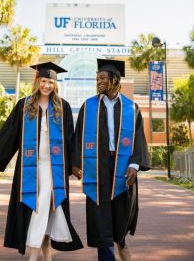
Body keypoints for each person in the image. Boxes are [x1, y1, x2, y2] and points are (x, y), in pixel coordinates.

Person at [0, 62, 83, 261]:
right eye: (44, 81)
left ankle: (36, 255)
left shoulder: (63, 106)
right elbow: (10, 133)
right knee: (40, 206)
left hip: (55, 170)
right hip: (31, 169)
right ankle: (44, 254)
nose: (47, 85)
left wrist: (75, 164)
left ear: (55, 84)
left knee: (44, 206)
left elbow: (71, 138)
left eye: (51, 82)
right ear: (37, 81)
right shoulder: (25, 104)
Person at [72, 59, 150, 261]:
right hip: (97, 163)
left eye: (103, 78)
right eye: (98, 78)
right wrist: (76, 162)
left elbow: (138, 138)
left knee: (122, 207)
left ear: (115, 80)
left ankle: (121, 241)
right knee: (99, 210)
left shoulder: (132, 108)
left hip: (123, 164)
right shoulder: (88, 106)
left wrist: (135, 164)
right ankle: (107, 255)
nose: (99, 82)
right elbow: (78, 134)